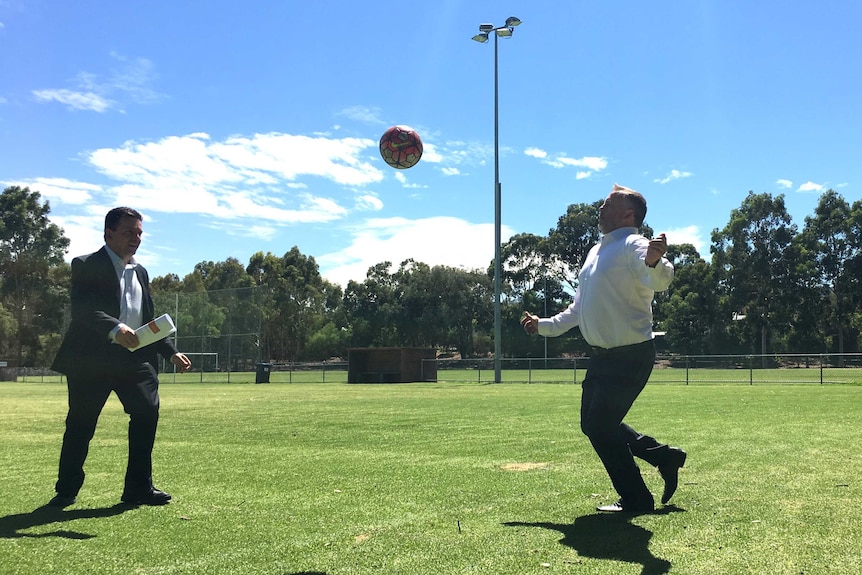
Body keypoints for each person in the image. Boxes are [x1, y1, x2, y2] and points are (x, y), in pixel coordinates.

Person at [521, 184, 686, 514]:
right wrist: (544, 325)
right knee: (593, 425)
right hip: (602, 357)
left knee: (599, 426)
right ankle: (663, 457)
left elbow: (660, 278)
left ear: (628, 214)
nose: (600, 207)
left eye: (608, 204)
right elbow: (579, 308)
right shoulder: (596, 252)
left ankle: (638, 497)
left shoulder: (634, 244)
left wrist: (656, 261)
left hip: (631, 354)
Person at [48, 207, 191, 508]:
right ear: (108, 234)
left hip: (135, 360)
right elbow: (84, 310)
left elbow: (148, 321)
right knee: (81, 424)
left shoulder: (141, 272)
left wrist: (171, 351)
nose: (136, 238)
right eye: (129, 232)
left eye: (139, 232)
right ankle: (67, 489)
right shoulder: (85, 264)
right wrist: (115, 328)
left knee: (146, 412)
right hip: (92, 361)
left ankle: (138, 488)